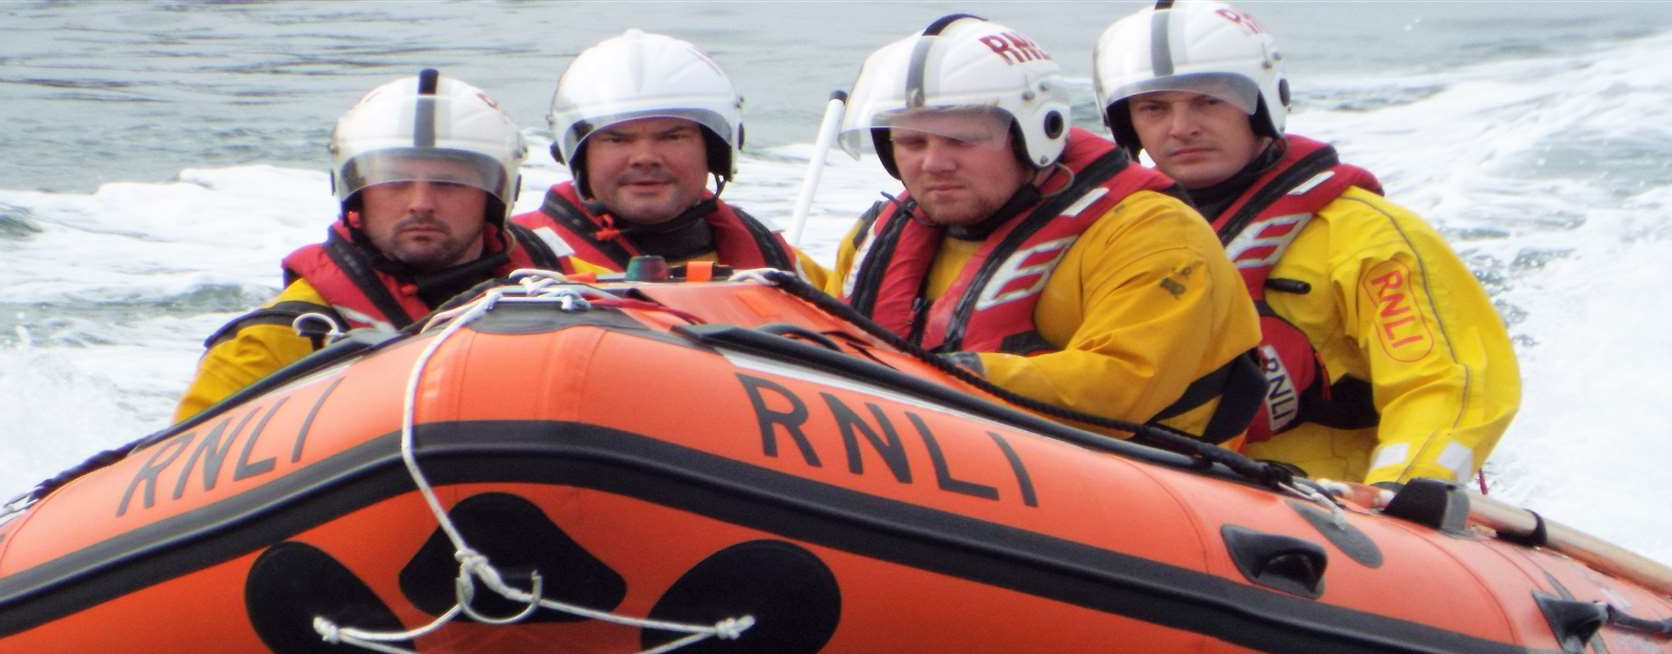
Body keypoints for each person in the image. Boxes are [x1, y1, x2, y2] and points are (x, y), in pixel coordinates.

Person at [1094, 0, 1520, 486]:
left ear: (1260, 104)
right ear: (1127, 126)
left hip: (1328, 513)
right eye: (1154, 108)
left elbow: (1449, 383)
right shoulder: (1111, 239)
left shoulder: (1365, 237)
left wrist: (1402, 489)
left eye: (1209, 100)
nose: (1181, 126)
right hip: (1162, 493)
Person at [829, 15, 1265, 443]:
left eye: (961, 138)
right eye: (912, 142)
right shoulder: (874, 238)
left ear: (1034, 134)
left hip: (1132, 485)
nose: (934, 163)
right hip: (926, 453)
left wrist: (927, 373)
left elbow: (1122, 385)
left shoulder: (1153, 234)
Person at [174, 70, 562, 421]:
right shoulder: (274, 344)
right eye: (394, 181)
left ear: (494, 197)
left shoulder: (564, 291)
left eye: (449, 181)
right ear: (356, 195)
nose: (421, 202)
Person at [513, 29, 827, 280]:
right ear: (579, 155)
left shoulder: (772, 254)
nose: (645, 157)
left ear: (715, 149)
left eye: (672, 136)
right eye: (617, 140)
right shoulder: (515, 263)